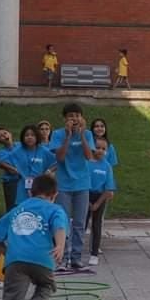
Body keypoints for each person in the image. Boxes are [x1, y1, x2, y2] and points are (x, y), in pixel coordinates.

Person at [48, 103, 95, 272]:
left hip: (82, 184)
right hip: (64, 184)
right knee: (63, 222)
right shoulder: (58, 134)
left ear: (81, 118)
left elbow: (89, 156)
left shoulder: (88, 134)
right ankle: (62, 258)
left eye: (77, 115)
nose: (74, 119)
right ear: (64, 119)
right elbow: (59, 157)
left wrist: (81, 136)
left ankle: (76, 258)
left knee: (80, 223)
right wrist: (68, 136)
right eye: (70, 116)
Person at [4, 125, 57, 204]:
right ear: (23, 137)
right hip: (23, 187)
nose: (29, 137)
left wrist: (49, 171)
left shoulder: (43, 150)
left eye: (32, 135)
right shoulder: (19, 150)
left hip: (40, 187)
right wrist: (14, 170)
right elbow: (3, 162)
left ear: (37, 137)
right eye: (27, 135)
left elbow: (58, 161)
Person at [87, 137, 116, 267]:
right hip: (85, 195)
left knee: (96, 225)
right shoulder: (86, 163)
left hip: (100, 196)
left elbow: (108, 188)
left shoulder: (107, 166)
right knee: (80, 224)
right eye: (97, 147)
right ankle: (73, 251)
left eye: (103, 149)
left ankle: (94, 254)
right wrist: (87, 201)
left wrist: (98, 203)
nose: (100, 151)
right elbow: (82, 181)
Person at [0, 127, 20, 214]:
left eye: (5, 133)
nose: (4, 136)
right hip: (11, 183)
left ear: (10, 133)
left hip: (24, 181)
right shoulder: (1, 153)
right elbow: (11, 171)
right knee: (12, 208)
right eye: (1, 136)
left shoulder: (20, 145)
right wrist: (18, 170)